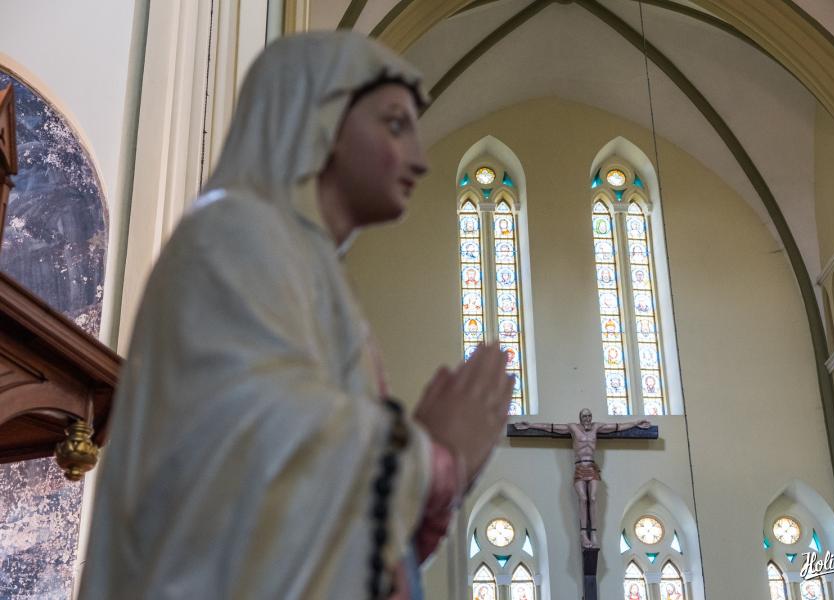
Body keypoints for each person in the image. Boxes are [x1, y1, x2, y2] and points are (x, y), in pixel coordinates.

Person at [79, 32, 513, 600]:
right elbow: (254, 450)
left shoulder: (314, 277)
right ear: (315, 119)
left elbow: (322, 538)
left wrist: (437, 481)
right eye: (394, 125)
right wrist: (431, 459)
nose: (420, 160)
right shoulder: (232, 236)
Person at [514, 409, 650, 548]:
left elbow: (618, 427)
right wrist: (530, 425)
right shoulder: (573, 428)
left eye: (589, 415)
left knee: (593, 498)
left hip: (592, 467)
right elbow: (549, 427)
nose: (587, 418)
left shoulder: (597, 427)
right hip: (579, 468)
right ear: (580, 417)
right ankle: (584, 534)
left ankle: (594, 534)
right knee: (583, 499)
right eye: (585, 416)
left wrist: (635, 423)